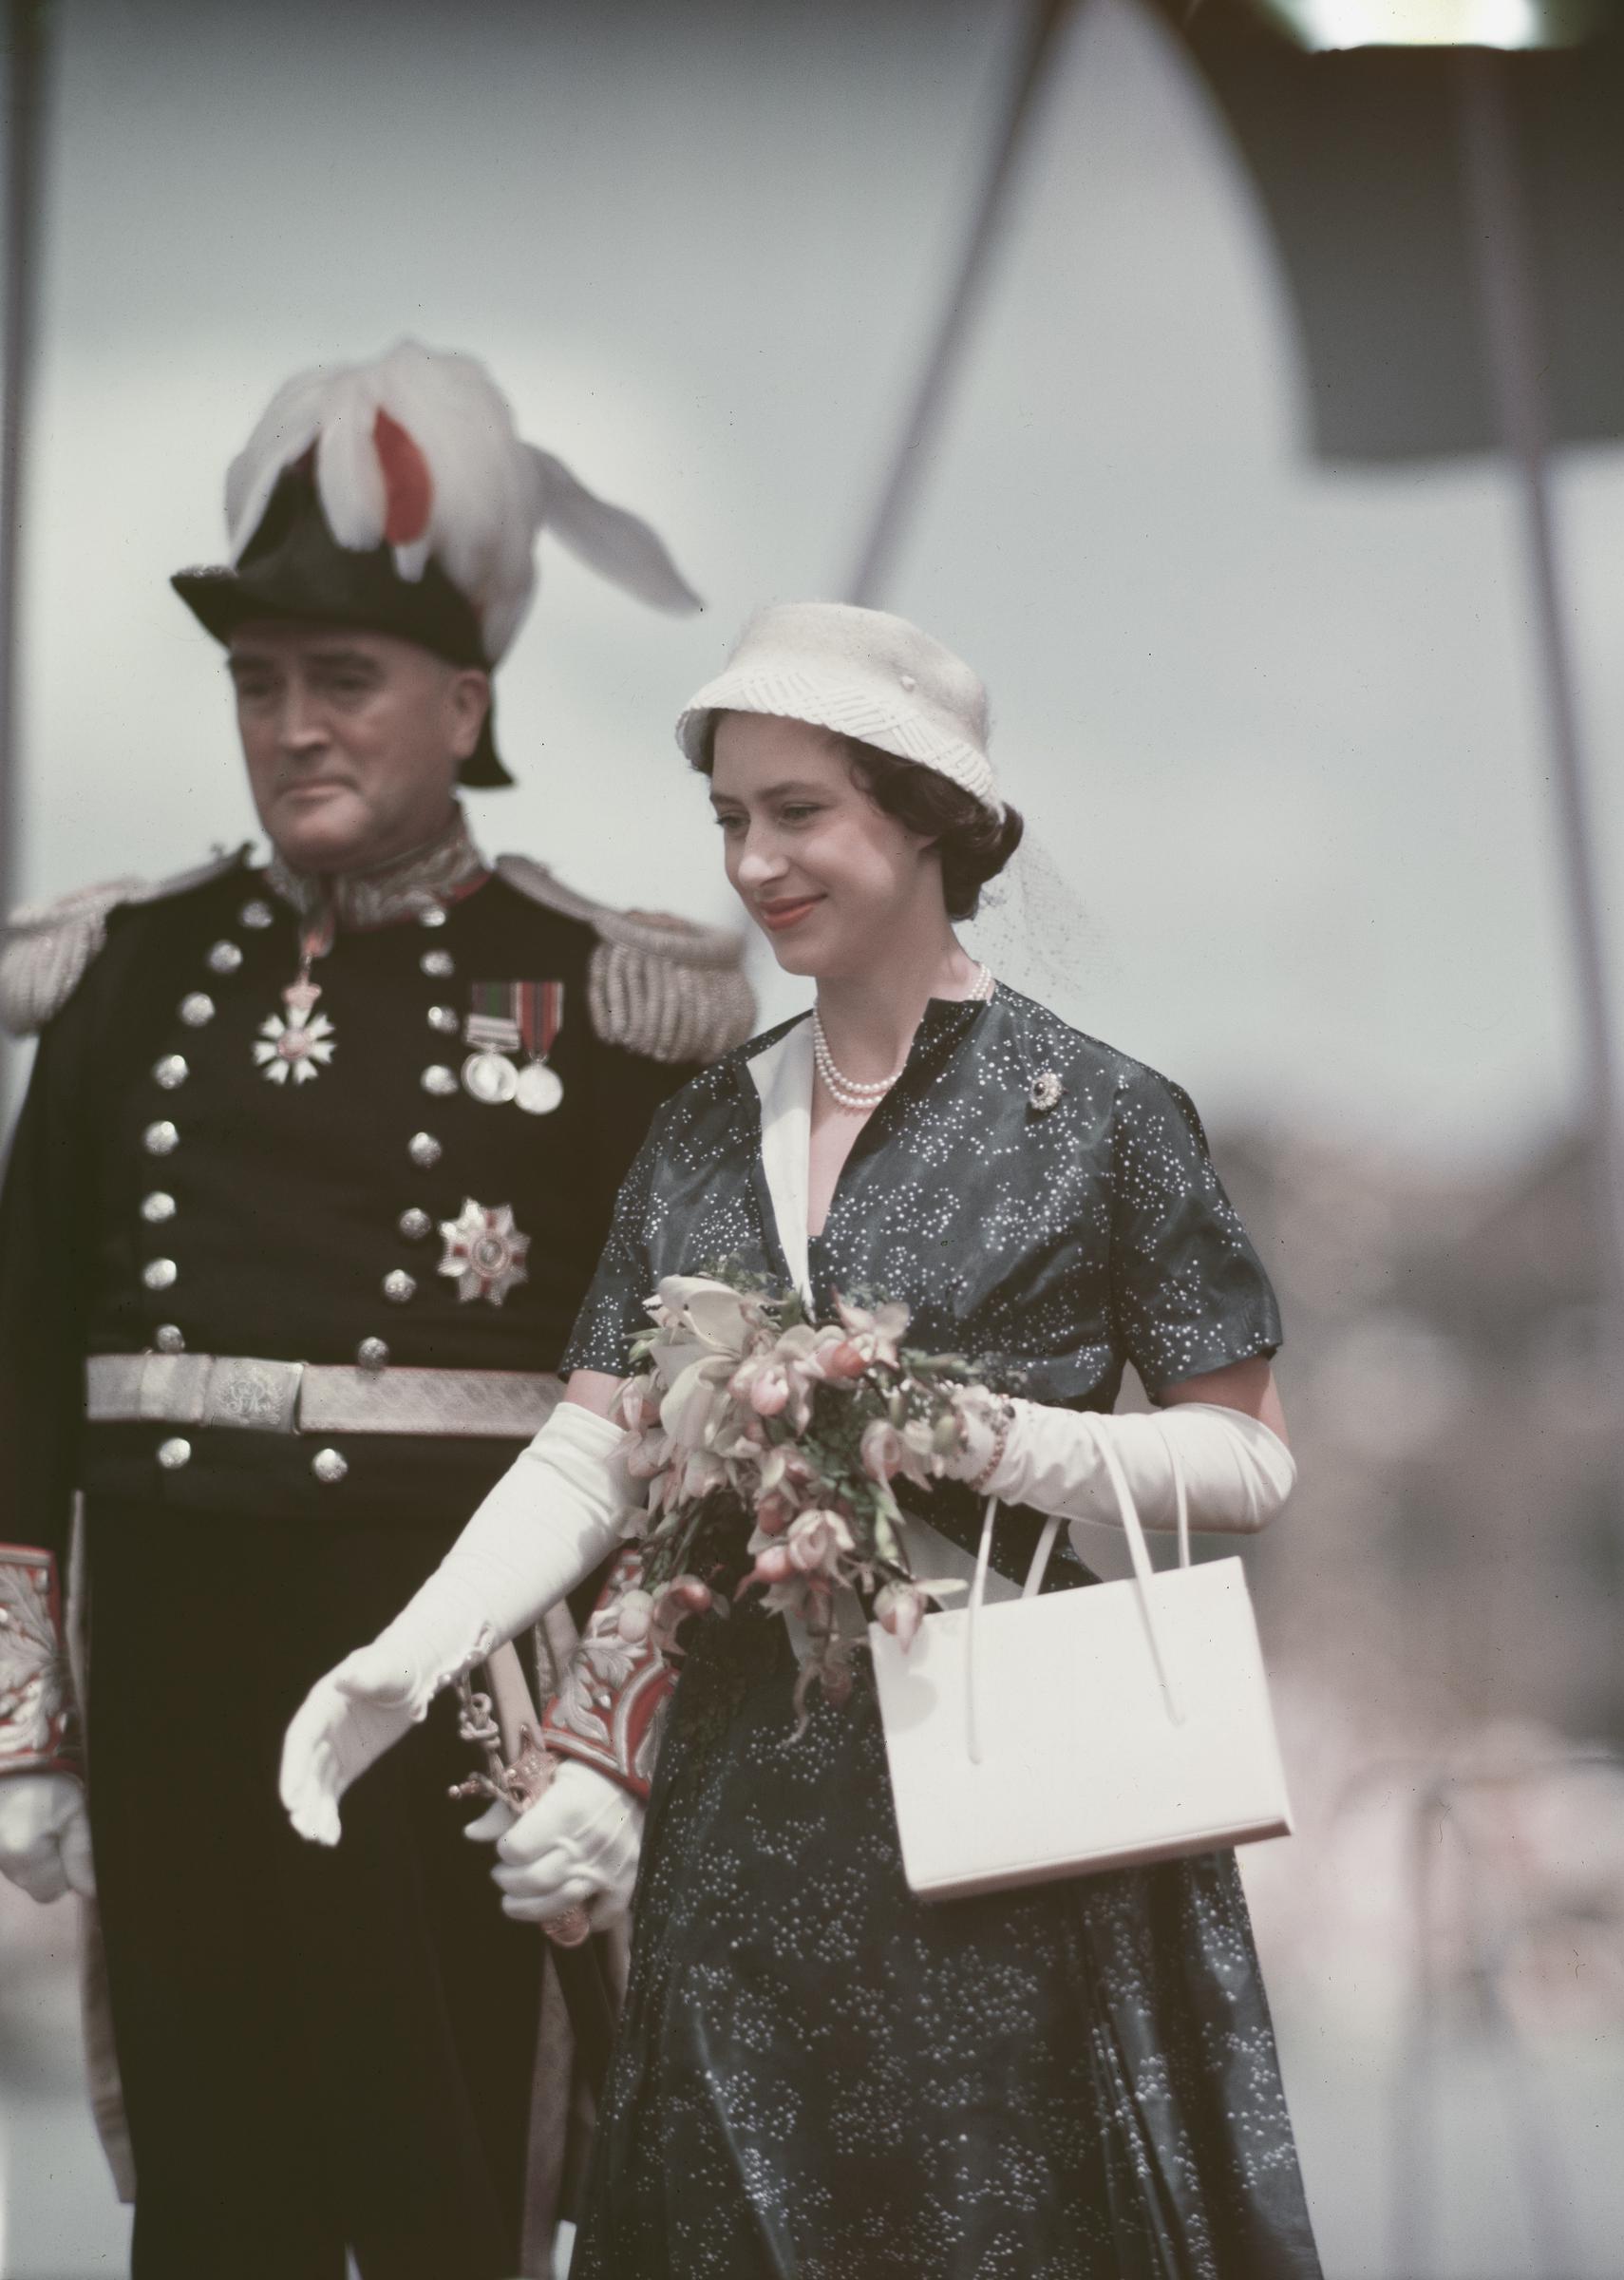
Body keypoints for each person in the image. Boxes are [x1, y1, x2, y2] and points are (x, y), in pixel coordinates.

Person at [284, 601, 1322, 2278]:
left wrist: (996, 1439)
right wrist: (411, 1650)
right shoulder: (698, 1129)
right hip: (740, 1823)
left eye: (796, 812)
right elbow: (588, 1449)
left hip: (1012, 1819)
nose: (752, 861)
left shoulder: (1109, 1119)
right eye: (727, 819)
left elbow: (1249, 1461)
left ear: (927, 819)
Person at [0, 340, 752, 2280]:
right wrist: (25, 1714)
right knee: (213, 2210)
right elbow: (13, 1364)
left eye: (343, 681)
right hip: (171, 1668)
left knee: (443, 2199)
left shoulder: (605, 1003)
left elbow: (690, 1414)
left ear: (467, 701)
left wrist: (607, 1739)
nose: (292, 727)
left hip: (453, 1680)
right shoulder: (127, 977)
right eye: (259, 684)